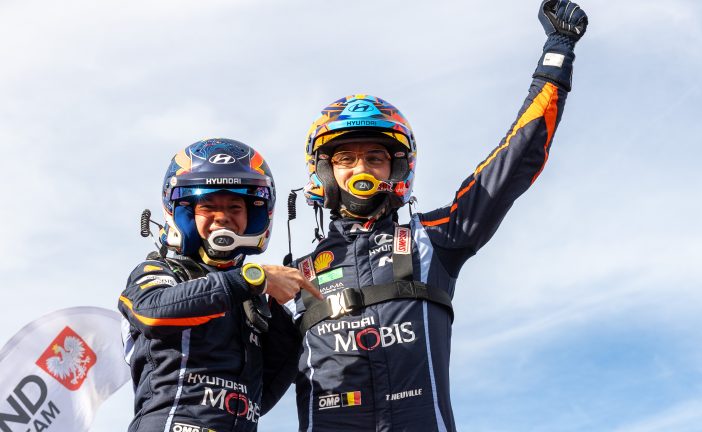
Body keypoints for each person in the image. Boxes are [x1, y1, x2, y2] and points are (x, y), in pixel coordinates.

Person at [289, 1, 588, 430]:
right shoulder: (293, 278)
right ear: (323, 172)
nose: (361, 169)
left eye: (375, 158)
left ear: (398, 169)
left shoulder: (434, 238)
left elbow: (512, 165)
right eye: (345, 159)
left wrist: (556, 56)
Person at [118, 138, 321, 432]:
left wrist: (290, 322)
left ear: (254, 216)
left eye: (235, 207)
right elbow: (152, 313)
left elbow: (260, 399)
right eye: (208, 206)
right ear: (185, 214)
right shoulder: (159, 271)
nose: (223, 217)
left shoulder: (255, 302)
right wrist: (252, 279)